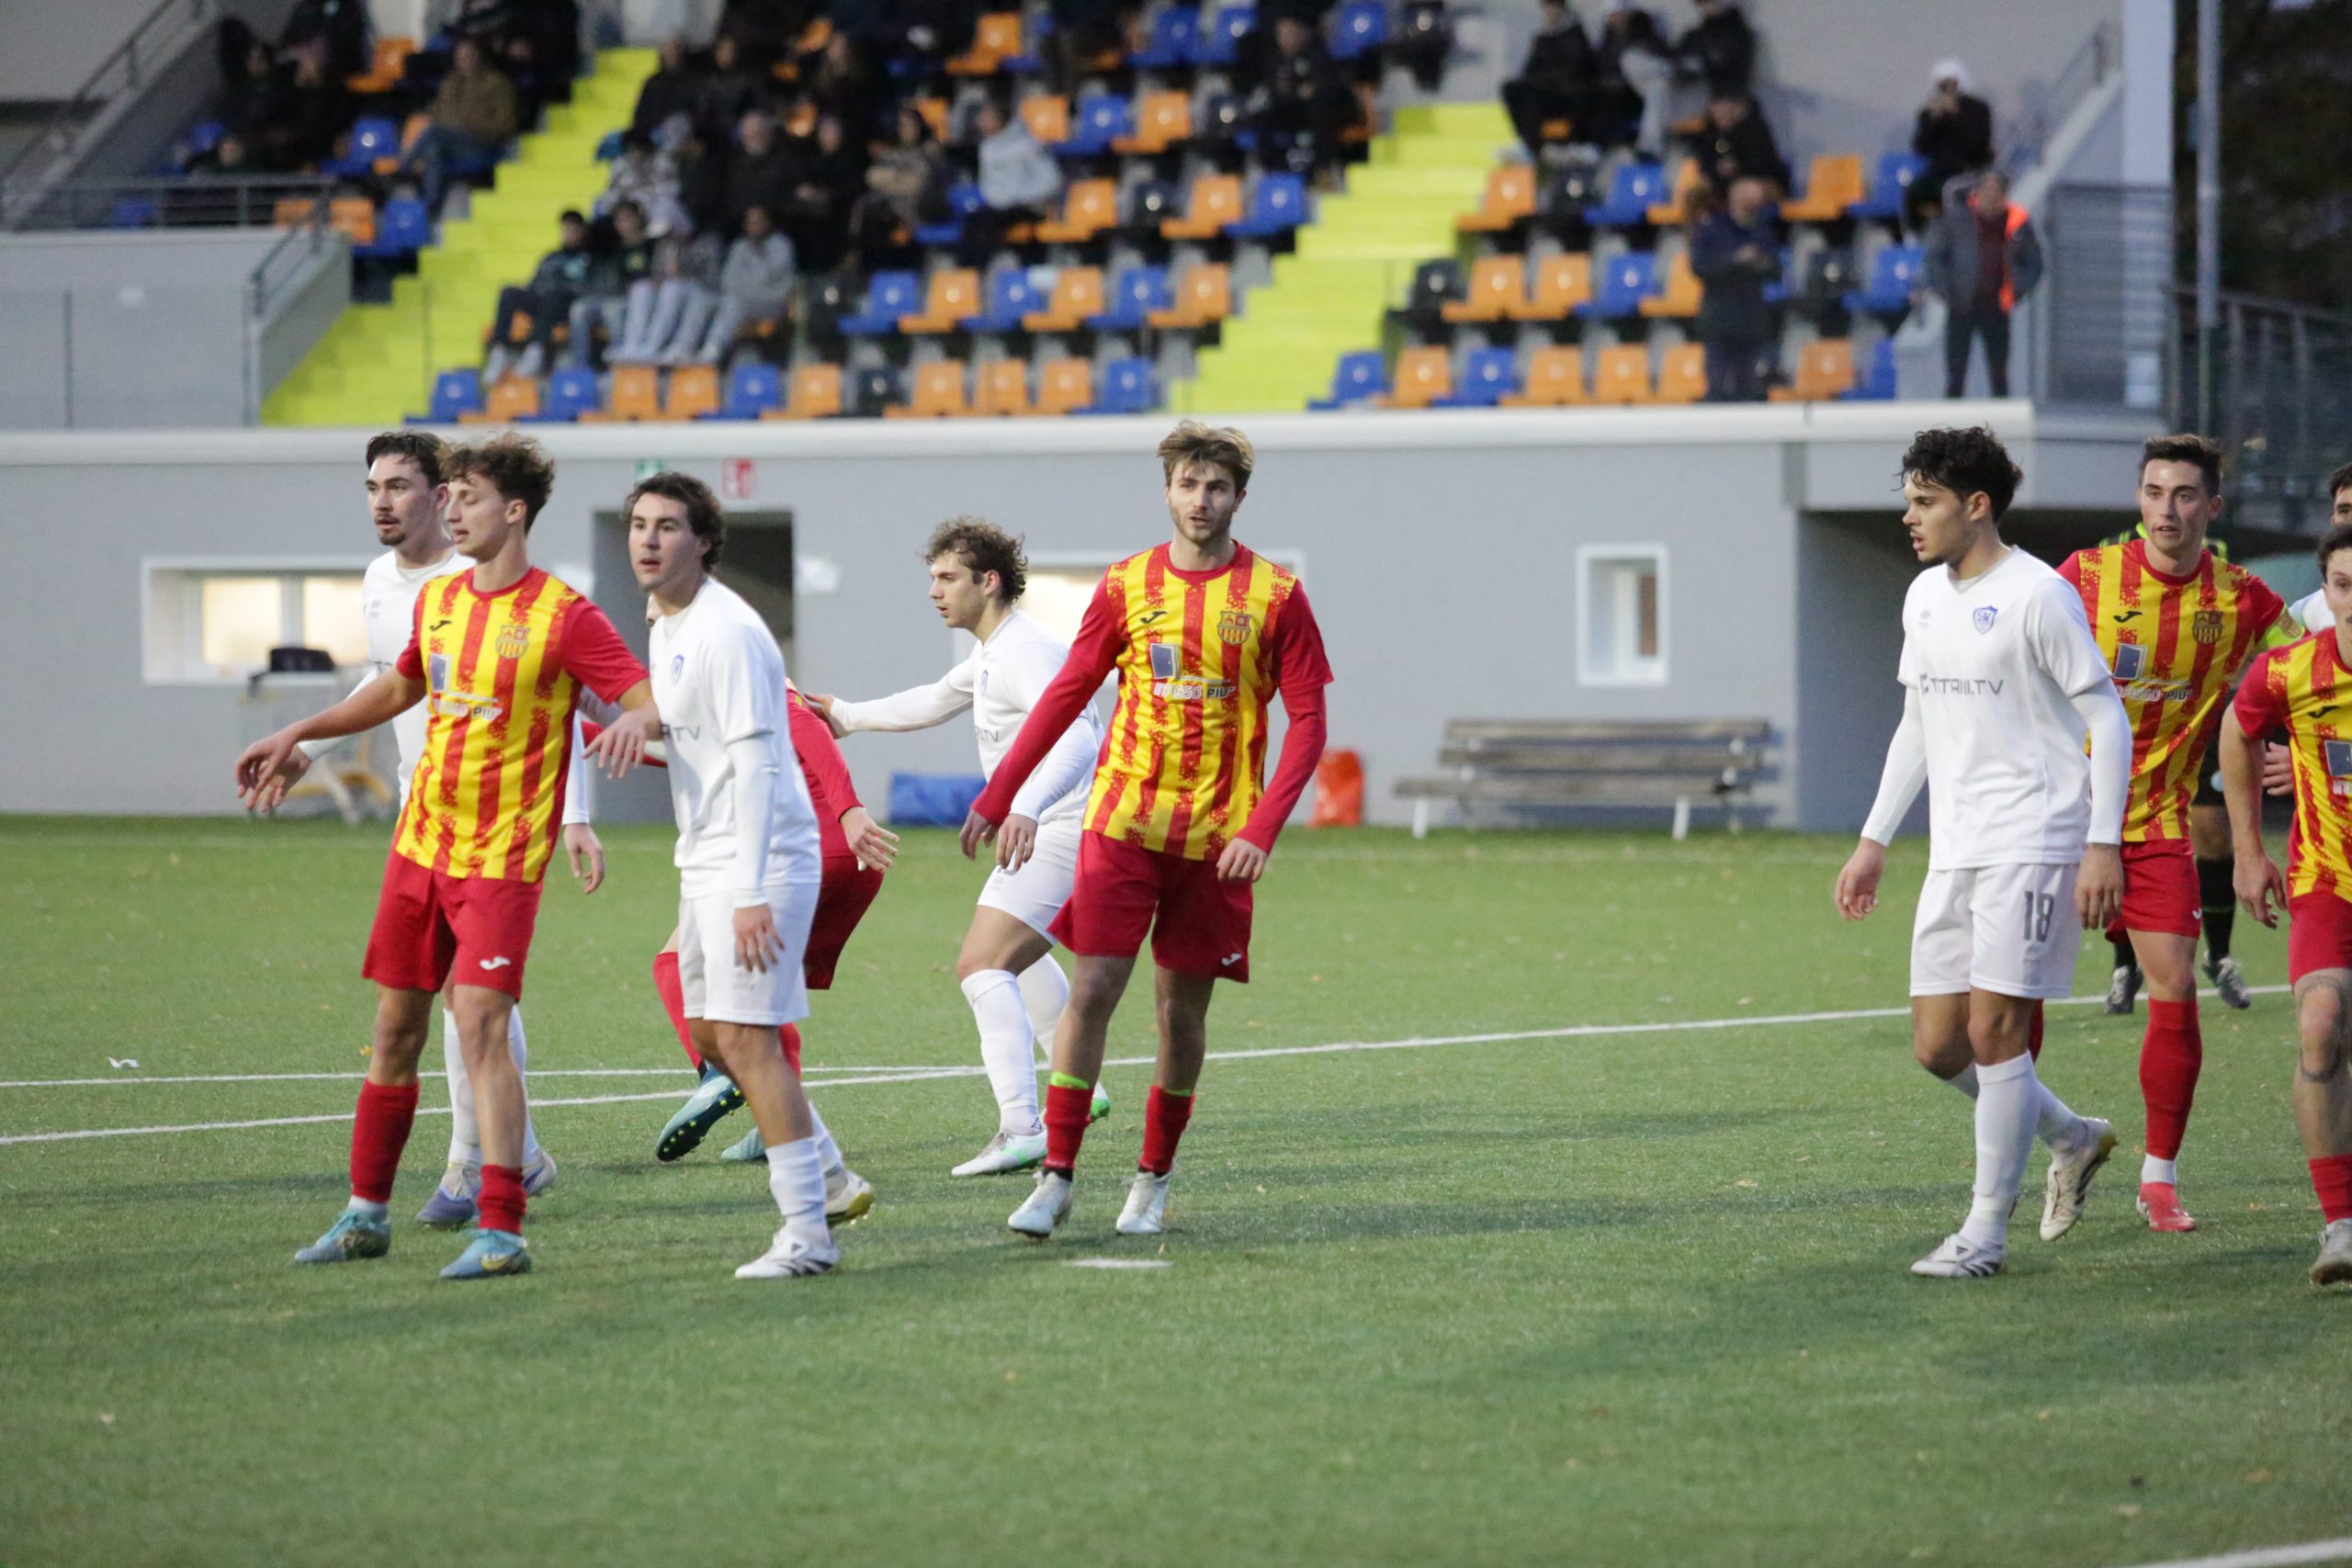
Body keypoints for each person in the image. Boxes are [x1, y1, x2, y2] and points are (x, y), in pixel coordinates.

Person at [237, 433, 654, 1280]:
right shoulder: (440, 603)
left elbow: (639, 692)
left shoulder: (563, 615)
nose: (450, 511)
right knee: (394, 1028)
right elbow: (396, 686)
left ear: (514, 510)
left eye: (465, 498)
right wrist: (300, 732)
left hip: (499, 859)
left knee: (481, 1030)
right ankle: (365, 1215)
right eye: (449, 496)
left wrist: (640, 719)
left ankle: (501, 1227)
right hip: (420, 844)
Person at [960, 423, 1333, 1240]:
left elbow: (1308, 722)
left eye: (1218, 488)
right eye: (1189, 485)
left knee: (1179, 1017)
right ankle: (1056, 1177)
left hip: (1217, 842)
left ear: (1239, 497)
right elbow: (1068, 694)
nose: (1202, 501)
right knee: (1091, 990)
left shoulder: (1276, 595)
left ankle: (1152, 1178)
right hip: (1122, 822)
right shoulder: (1126, 585)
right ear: (1167, 489)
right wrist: (1001, 792)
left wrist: (1263, 829)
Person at [1834, 425, 2125, 1280]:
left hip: (2035, 836)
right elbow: (1917, 722)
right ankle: (2072, 1137)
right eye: (1910, 499)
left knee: (1996, 1033)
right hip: (1956, 847)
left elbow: (2105, 716)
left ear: (1977, 505)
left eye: (1924, 501)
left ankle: (1982, 1235)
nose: (1909, 517)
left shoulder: (2039, 595)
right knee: (1939, 1046)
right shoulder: (1923, 597)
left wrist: (2101, 843)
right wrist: (1873, 839)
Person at [591, 471, 849, 1279]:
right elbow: (690, 724)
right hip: (705, 857)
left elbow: (761, 763)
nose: (647, 539)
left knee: (745, 1037)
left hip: (758, 858)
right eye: (638, 524)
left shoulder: (728, 631)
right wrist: (641, 727)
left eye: (668, 526)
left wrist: (748, 892)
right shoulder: (666, 624)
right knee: (710, 1033)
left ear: (703, 541)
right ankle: (831, 1173)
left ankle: (808, 1233)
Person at [809, 518, 1114, 1175]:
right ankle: (1078, 1085)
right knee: (1021, 957)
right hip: (1059, 826)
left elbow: (1082, 738)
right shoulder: (992, 652)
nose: (934, 591)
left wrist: (1024, 808)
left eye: (947, 577)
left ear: (989, 581)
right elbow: (935, 699)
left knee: (981, 963)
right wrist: (846, 715)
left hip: (1062, 827)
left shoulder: (1026, 650)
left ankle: (1021, 1126)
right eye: (933, 578)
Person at [2056, 435, 2290, 1235]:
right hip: (2059, 816)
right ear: (2138, 499)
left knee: (2177, 988)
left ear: (2212, 507)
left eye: (2185, 494)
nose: (2167, 508)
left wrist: (2295, 742)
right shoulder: (2085, 578)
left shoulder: (2244, 599)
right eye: (2154, 491)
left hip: (2158, 820)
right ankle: (2054, 1143)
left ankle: (2158, 1178)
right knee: (2010, 1004)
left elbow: (2314, 661)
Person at [646, 671, 896, 1179]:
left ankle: (720, 1074)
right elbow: (690, 754)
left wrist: (849, 809)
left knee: (678, 959)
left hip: (808, 848)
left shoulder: (735, 662)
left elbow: (804, 727)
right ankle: (777, 1124)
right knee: (766, 989)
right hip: (850, 861)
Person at [2219, 523, 2352, 1286]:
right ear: (2324, 592)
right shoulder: (2289, 671)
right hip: (2328, 884)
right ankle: (2340, 1226)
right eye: (2342, 586)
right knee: (2320, 1025)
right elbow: (2238, 734)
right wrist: (2247, 850)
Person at [1923, 170, 2041, 399]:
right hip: (1962, 306)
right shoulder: (1956, 219)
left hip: (1997, 307)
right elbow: (1934, 258)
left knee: (1999, 373)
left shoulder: (2016, 222)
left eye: (1996, 191)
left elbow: (2034, 262)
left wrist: (2016, 290)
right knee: (1956, 374)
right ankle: (1951, 425)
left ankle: (2000, 424)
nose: (1991, 196)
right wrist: (1945, 292)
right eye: (1987, 190)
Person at [401, 34, 518, 217]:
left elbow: (505, 124)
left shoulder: (497, 83)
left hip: (483, 142)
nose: (466, 61)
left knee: (434, 133)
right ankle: (431, 206)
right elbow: (436, 112)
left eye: (470, 55)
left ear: (479, 56)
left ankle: (405, 166)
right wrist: (451, 125)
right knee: (433, 149)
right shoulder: (450, 83)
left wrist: (467, 125)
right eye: (461, 57)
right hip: (450, 141)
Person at [1689, 175, 1781, 400]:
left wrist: (1757, 263)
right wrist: (1735, 260)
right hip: (1720, 317)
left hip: (1751, 318)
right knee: (1717, 386)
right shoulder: (1713, 229)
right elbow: (1700, 266)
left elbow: (1775, 269)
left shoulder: (1762, 231)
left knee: (1750, 386)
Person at [483, 209, 597, 382]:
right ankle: (499, 351)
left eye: (573, 230)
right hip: (541, 302)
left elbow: (586, 288)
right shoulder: (551, 257)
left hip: (563, 306)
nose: (568, 234)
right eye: (565, 230)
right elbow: (534, 284)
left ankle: (535, 350)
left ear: (582, 231)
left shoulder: (589, 258)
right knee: (509, 293)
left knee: (555, 296)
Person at [693, 202, 794, 364]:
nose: (753, 226)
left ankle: (713, 349)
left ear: (768, 223)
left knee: (735, 302)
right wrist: (744, 285)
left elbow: (764, 278)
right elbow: (728, 280)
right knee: (702, 298)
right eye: (749, 222)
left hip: (771, 303)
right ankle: (684, 347)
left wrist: (744, 284)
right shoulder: (740, 246)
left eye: (757, 221)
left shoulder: (780, 246)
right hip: (741, 300)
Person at [969, 96, 1060, 264]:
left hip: (1029, 206)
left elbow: (1051, 180)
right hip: (1000, 208)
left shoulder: (1027, 144)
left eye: (986, 118)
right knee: (974, 222)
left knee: (988, 224)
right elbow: (988, 185)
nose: (980, 122)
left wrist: (1018, 197)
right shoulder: (986, 148)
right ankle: (970, 276)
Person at [1502, 0, 1596, 155]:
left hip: (1570, 94)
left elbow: (1577, 68)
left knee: (1535, 98)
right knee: (1513, 90)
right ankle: (1530, 145)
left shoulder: (1575, 35)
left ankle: (1572, 142)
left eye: (1552, 7)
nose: (1549, 12)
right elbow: (1530, 69)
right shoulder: (1543, 37)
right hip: (1547, 91)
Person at [1912, 58, 1995, 223]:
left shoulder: (1977, 108)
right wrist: (1934, 120)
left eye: (1952, 84)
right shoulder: (1930, 112)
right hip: (1940, 172)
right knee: (1915, 192)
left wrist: (1955, 116)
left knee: (1952, 190)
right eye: (1943, 85)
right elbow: (1920, 147)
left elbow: (1977, 144)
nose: (1948, 89)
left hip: (1971, 169)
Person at [1593, 1, 1674, 158]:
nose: (1617, 19)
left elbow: (1661, 56)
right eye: (1612, 16)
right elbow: (1600, 66)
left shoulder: (1644, 34)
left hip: (1638, 92)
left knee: (1655, 87)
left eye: (1619, 14)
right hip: (1616, 93)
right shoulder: (1608, 40)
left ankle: (1646, 147)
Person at [1695, 92, 1788, 193]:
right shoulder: (1713, 132)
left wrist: (1737, 167)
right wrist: (1717, 168)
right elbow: (1705, 162)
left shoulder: (1754, 129)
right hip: (1724, 183)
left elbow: (1763, 165)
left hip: (1762, 181)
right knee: (1698, 193)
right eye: (1715, 112)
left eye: (1724, 112)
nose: (1719, 116)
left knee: (1741, 192)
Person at [1673, 0, 1755, 98]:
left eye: (1708, 3)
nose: (1704, 9)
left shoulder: (1736, 33)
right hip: (1710, 94)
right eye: (1701, 4)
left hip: (1729, 95)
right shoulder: (1699, 34)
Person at [630, 35, 698, 141]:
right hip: (655, 135)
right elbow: (640, 115)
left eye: (675, 49)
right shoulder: (653, 83)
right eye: (669, 50)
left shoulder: (691, 82)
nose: (672, 54)